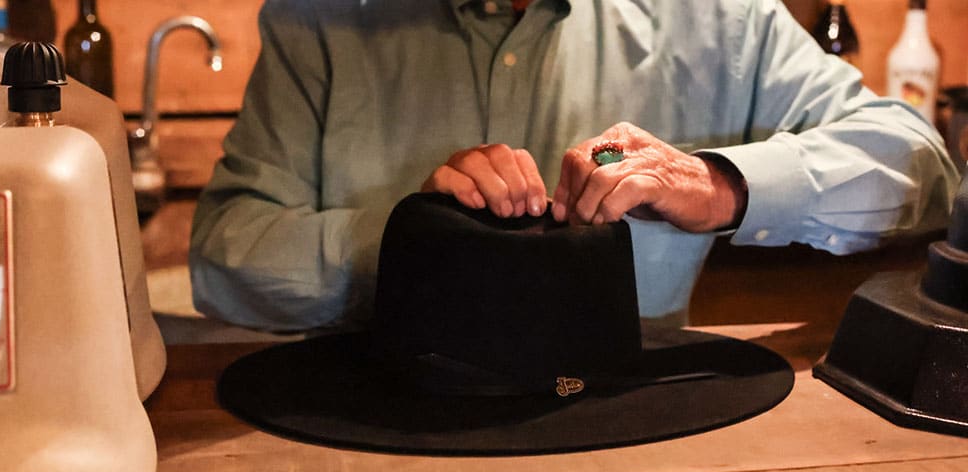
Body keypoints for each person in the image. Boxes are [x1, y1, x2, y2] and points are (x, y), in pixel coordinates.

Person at [189, 0, 960, 333]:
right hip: (362, 428)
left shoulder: (720, 19)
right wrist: (414, 241)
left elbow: (922, 169)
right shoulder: (318, 19)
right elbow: (225, 256)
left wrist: (717, 183)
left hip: (639, 435)